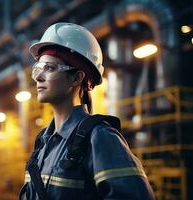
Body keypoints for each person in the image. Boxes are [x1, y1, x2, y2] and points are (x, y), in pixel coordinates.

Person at [19, 22, 155, 200]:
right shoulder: (43, 142)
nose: (38, 77)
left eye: (50, 68)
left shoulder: (100, 137)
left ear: (77, 77)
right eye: (37, 69)